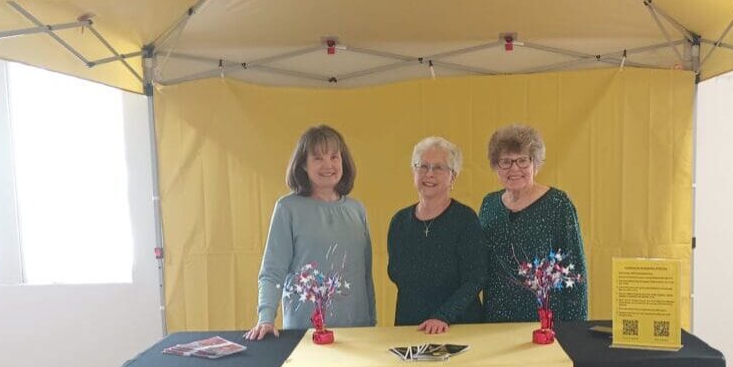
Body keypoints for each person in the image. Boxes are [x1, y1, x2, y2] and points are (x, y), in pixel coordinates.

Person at [245, 125, 375, 339]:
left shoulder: (357, 210)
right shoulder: (287, 209)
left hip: (358, 331)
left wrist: (372, 322)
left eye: (334, 157)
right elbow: (272, 270)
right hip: (305, 335)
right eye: (318, 158)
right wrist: (266, 318)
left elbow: (365, 275)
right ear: (303, 165)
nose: (328, 165)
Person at [478, 124, 588, 323]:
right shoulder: (489, 204)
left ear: (535, 164)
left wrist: (575, 328)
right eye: (506, 162)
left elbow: (574, 270)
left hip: (545, 321)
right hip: (494, 319)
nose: (514, 169)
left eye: (522, 160)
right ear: (496, 166)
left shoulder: (558, 204)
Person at [387, 137, 485, 334]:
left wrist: (443, 316)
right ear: (414, 172)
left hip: (458, 327)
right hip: (410, 328)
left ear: (453, 176)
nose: (429, 174)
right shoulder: (399, 222)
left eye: (439, 167)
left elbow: (475, 279)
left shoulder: (466, 219)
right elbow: (398, 276)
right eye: (423, 166)